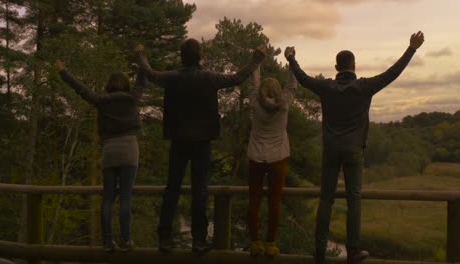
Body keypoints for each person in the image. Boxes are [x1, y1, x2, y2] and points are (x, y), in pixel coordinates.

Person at [284, 31, 425, 263]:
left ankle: (319, 252)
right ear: (354, 66)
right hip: (354, 149)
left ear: (336, 67)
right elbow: (393, 73)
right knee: (354, 199)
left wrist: (291, 59)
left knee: (325, 200)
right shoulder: (364, 86)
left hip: (330, 149)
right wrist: (412, 48)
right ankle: (352, 251)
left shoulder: (326, 87)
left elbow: (302, 77)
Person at [135, 39, 266, 255]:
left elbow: (150, 73)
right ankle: (198, 241)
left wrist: (141, 55)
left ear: (181, 56)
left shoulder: (172, 78)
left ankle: (165, 239)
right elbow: (237, 77)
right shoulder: (209, 78)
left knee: (172, 189)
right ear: (200, 56)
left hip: (178, 140)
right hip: (202, 142)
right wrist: (257, 59)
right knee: (200, 191)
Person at [54, 60, 145, 252]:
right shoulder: (132, 98)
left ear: (109, 85)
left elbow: (80, 89)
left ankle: (106, 242)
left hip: (109, 151)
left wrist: (64, 72)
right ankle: (126, 240)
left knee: (108, 198)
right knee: (126, 197)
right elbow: (141, 80)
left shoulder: (101, 101)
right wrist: (141, 57)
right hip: (129, 149)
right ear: (125, 84)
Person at [246, 59, 297, 257]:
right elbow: (291, 85)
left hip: (256, 158)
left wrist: (256, 60)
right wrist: (291, 61)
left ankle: (255, 242)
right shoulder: (284, 105)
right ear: (278, 91)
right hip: (278, 158)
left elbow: (253, 82)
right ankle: (271, 243)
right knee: (275, 201)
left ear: (260, 92)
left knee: (254, 201)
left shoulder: (254, 102)